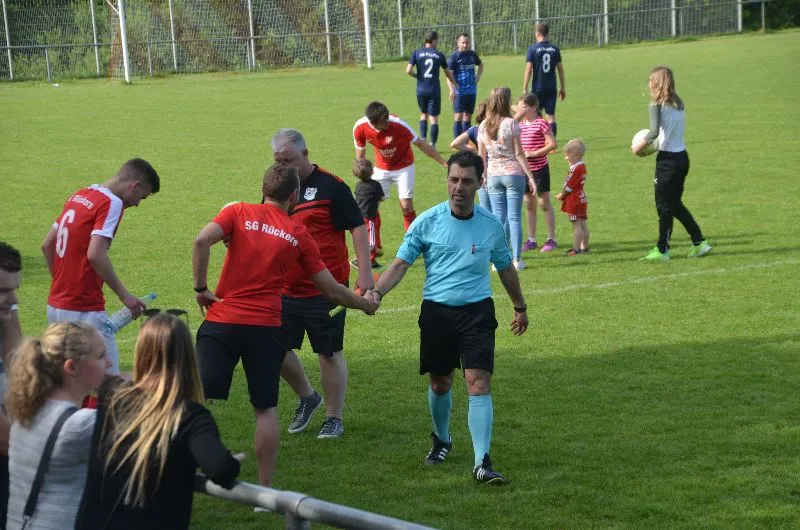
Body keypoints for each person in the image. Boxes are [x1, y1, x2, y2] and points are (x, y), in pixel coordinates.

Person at [193, 162, 377, 488]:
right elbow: (331, 290)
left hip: (222, 321)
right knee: (265, 410)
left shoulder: (237, 211)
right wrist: (364, 303)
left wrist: (201, 288)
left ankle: (189, 467)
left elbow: (200, 242)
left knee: (194, 398)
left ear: (263, 189)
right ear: (294, 196)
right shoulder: (298, 234)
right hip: (265, 327)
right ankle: (265, 494)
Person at [371, 150, 528, 485]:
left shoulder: (490, 225)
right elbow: (400, 264)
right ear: (447, 181)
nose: (459, 187)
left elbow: (505, 268)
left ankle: (482, 461)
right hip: (437, 314)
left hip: (477, 312)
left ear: (479, 183)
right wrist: (377, 293)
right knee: (440, 383)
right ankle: (442, 439)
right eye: (454, 180)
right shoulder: (427, 222)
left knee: (478, 382)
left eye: (467, 181)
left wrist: (520, 306)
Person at [75, 313, 241, 530]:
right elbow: (221, 468)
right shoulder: (191, 416)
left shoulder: (113, 397)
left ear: (141, 353)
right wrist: (229, 459)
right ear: (188, 357)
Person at [272, 129, 375, 441]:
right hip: (286, 287)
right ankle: (307, 396)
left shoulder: (332, 187)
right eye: (277, 160)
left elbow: (358, 228)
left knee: (328, 352)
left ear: (305, 154)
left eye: (288, 160)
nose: (282, 166)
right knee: (273, 346)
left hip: (328, 288)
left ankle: (333, 417)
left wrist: (365, 275)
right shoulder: (276, 186)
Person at [41, 158, 160, 376]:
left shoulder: (80, 195)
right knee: (107, 383)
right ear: (134, 186)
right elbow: (95, 254)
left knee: (67, 382)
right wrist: (125, 296)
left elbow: (47, 244)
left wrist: (62, 281)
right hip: (85, 310)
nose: (137, 204)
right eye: (141, 197)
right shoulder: (112, 203)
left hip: (56, 306)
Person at [6, 321, 109, 530]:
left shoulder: (27, 413)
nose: (108, 363)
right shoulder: (81, 425)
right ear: (72, 367)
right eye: (100, 356)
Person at [632, 66, 711, 261]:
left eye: (650, 80)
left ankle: (662, 250)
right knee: (674, 204)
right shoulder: (679, 103)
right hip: (682, 158)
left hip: (667, 162)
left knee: (664, 206)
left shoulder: (656, 105)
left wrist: (638, 148)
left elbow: (653, 133)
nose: (648, 83)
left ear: (656, 83)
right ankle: (699, 242)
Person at [353, 101, 448, 233]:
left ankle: (413, 240)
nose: (388, 123)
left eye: (387, 118)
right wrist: (364, 180)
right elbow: (360, 158)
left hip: (404, 167)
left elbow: (421, 144)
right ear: (373, 123)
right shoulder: (360, 127)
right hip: (381, 168)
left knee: (406, 205)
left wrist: (444, 162)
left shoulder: (399, 124)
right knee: (371, 204)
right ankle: (374, 243)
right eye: (384, 122)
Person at [478, 87, 537, 270]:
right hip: (513, 174)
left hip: (493, 176)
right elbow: (519, 153)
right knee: (514, 218)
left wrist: (484, 176)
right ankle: (516, 259)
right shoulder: (511, 124)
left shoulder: (483, 125)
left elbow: (481, 156)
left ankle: (500, 260)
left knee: (499, 219)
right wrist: (530, 176)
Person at [515, 92, 558, 253]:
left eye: (524, 108)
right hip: (524, 171)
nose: (521, 111)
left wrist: (534, 153)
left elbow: (552, 144)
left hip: (539, 170)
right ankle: (531, 240)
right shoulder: (519, 125)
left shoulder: (541, 123)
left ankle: (551, 239)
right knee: (529, 204)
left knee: (544, 204)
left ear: (534, 108)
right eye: (519, 108)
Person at [0, 243, 22, 529]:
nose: (12, 299)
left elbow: (22, 377)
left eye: (14, 289)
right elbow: (5, 440)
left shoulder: (6, 314)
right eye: (2, 291)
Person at [406, 31, 457, 150]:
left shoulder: (416, 52)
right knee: (433, 118)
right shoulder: (439, 55)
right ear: (433, 41)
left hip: (421, 89)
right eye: (437, 40)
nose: (437, 43)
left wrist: (417, 76)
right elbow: (447, 73)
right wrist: (454, 83)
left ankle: (423, 140)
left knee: (423, 114)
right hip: (433, 89)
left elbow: (408, 70)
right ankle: (432, 144)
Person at [522, 22, 566, 137]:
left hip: (538, 88)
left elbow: (528, 70)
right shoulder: (555, 49)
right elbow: (560, 70)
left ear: (537, 34)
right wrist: (562, 88)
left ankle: (538, 139)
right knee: (551, 117)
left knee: (534, 114)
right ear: (548, 33)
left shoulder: (533, 49)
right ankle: (552, 141)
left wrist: (525, 88)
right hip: (551, 88)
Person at [451, 101, 491, 212]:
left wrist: (474, 150)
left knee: (485, 209)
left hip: (482, 171)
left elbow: (455, 143)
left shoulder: (475, 129)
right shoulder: (497, 128)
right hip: (498, 170)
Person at [555, 139, 590, 256]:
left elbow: (569, 186)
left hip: (574, 198)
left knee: (576, 224)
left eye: (567, 155)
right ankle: (585, 247)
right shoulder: (582, 166)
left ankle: (576, 249)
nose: (566, 158)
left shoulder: (575, 169)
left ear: (576, 155)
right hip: (581, 196)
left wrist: (561, 195)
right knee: (583, 223)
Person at [447, 33, 484, 140]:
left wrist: (478, 76)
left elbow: (481, 65)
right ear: (458, 43)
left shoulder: (472, 54)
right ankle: (456, 141)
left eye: (467, 42)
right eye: (463, 43)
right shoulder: (454, 57)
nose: (465, 45)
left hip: (471, 91)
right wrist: (452, 90)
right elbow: (448, 75)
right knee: (458, 117)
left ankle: (466, 141)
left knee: (468, 117)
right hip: (459, 92)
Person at [352, 158, 384, 269]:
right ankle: (359, 259)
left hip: (360, 215)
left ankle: (372, 260)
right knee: (371, 241)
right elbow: (381, 198)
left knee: (373, 235)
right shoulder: (375, 185)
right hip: (369, 217)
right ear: (372, 171)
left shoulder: (358, 185)